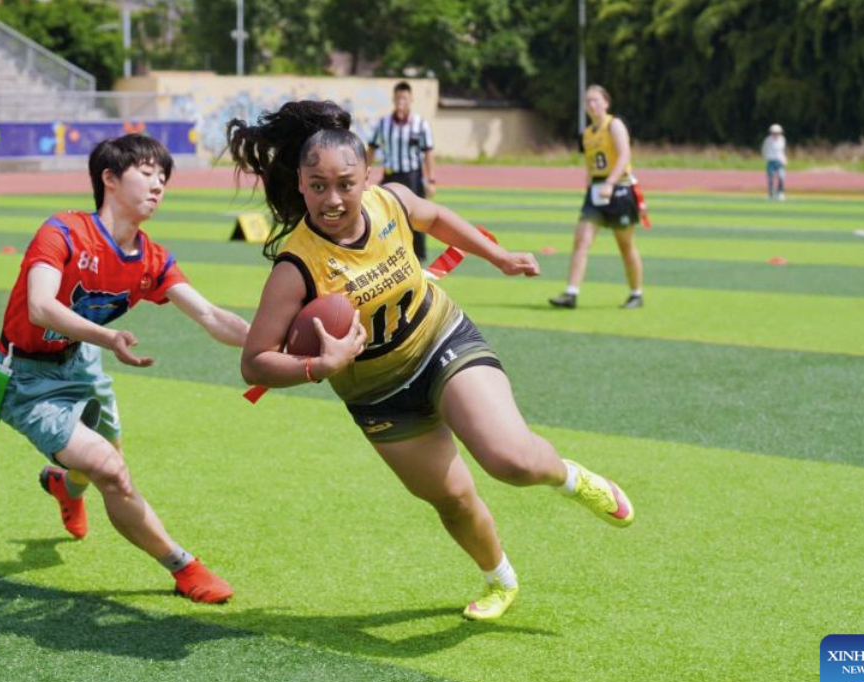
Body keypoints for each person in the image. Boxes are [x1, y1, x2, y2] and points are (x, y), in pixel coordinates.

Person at [226, 100, 635, 622]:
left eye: (346, 183)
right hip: (377, 395)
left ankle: (569, 477)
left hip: (440, 339)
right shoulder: (295, 268)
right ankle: (499, 579)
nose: (333, 198)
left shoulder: (390, 201)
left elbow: (436, 216)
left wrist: (499, 255)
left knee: (510, 460)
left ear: (367, 176)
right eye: (319, 185)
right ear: (300, 184)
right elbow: (254, 362)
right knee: (454, 500)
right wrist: (318, 367)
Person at [0, 134, 249, 603]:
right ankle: (184, 567)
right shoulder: (62, 232)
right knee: (113, 471)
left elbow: (211, 316)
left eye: (163, 178)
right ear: (109, 178)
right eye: (146, 173)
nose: (158, 185)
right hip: (27, 377)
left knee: (107, 462)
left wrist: (279, 345)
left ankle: (66, 488)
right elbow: (42, 307)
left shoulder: (152, 258)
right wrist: (108, 337)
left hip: (83, 362)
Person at [549, 84, 645, 310]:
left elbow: (624, 156)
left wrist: (610, 183)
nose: (591, 105)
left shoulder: (615, 125)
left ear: (606, 103)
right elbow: (591, 166)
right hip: (596, 191)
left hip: (619, 188)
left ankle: (636, 293)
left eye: (595, 100)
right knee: (581, 240)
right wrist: (591, 187)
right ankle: (571, 293)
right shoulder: (587, 134)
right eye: (588, 101)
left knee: (626, 245)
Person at [366, 81, 436, 263]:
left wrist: (431, 179)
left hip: (412, 175)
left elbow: (428, 151)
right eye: (397, 98)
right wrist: (364, 172)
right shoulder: (383, 124)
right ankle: (391, 254)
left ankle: (419, 257)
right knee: (386, 215)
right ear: (393, 99)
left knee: (418, 216)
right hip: (391, 174)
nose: (400, 102)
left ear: (411, 99)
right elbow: (372, 148)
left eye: (404, 98)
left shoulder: (420, 124)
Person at [762, 123, 787, 201]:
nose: (775, 134)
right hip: (771, 161)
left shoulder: (782, 139)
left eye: (777, 133)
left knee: (781, 177)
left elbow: (782, 151)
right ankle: (771, 194)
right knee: (770, 178)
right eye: (774, 132)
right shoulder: (768, 140)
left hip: (779, 161)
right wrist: (766, 157)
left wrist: (784, 159)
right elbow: (764, 149)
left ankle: (780, 192)